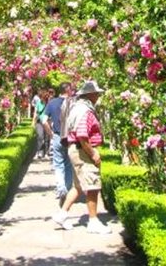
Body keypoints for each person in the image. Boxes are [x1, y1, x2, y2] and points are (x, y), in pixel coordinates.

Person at [52, 80, 111, 234]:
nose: (98, 95)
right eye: (96, 93)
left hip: (76, 149)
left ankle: (62, 214)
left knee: (77, 187)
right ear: (89, 94)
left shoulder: (78, 108)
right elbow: (82, 135)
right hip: (82, 150)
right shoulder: (85, 111)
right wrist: (93, 153)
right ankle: (93, 221)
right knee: (93, 186)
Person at [43, 82, 74, 205]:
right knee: (69, 165)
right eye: (71, 89)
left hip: (57, 137)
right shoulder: (73, 103)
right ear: (68, 90)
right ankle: (66, 189)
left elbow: (44, 120)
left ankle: (61, 188)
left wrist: (50, 134)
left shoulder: (52, 103)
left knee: (58, 164)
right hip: (71, 138)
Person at [34, 89, 50, 159]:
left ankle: (46, 153)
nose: (42, 99)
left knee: (47, 138)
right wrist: (33, 122)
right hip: (39, 122)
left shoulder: (49, 103)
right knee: (40, 136)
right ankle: (39, 152)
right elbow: (36, 113)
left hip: (47, 122)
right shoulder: (38, 103)